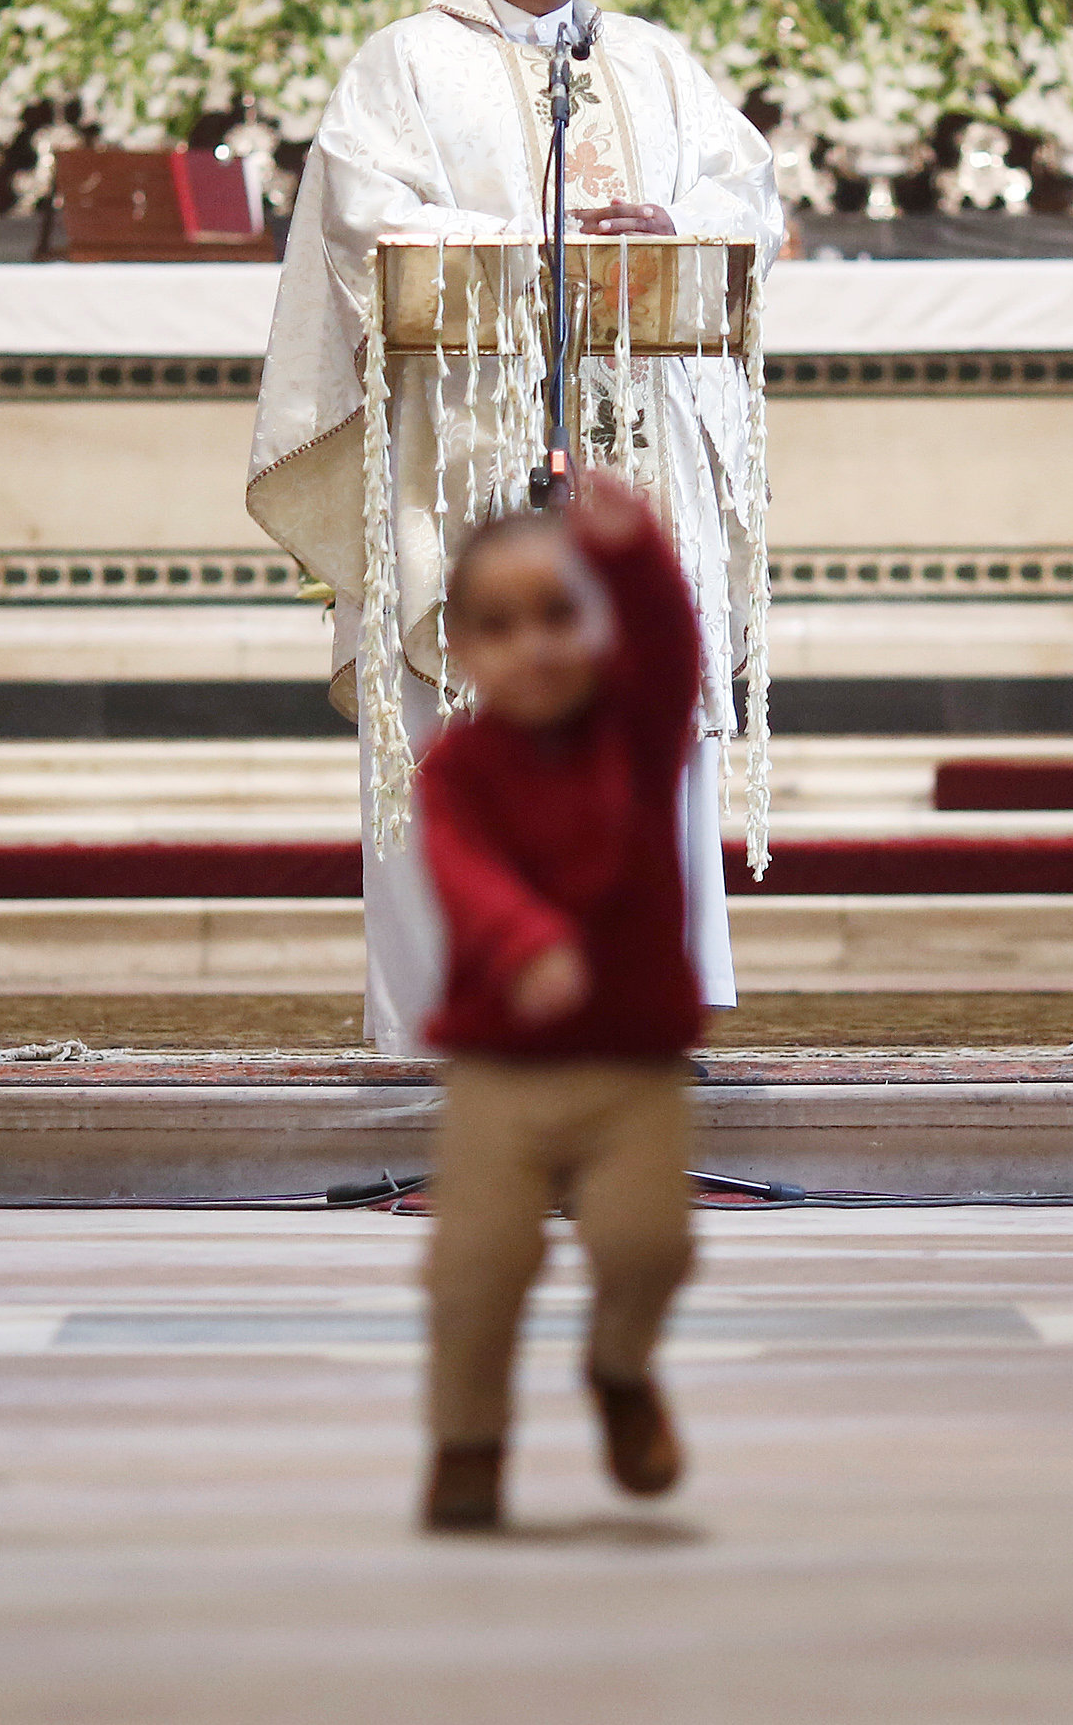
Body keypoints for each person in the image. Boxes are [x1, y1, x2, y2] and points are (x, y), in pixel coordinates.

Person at [248, 0, 782, 1054]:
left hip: (634, 442)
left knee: (638, 707)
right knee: (460, 718)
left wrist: (672, 222)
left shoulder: (647, 61)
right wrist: (535, 251)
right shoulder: (404, 64)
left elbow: (743, 188)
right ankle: (448, 1021)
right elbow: (365, 222)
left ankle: (637, 1017)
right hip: (467, 451)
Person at [410, 474, 704, 1533]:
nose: (530, 645)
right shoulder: (458, 767)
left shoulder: (634, 729)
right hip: (503, 1066)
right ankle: (467, 1443)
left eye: (556, 614)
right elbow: (463, 870)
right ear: (458, 646)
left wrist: (635, 553)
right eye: (497, 625)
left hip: (629, 1060)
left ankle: (618, 1368)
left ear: (596, 625)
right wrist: (522, 940)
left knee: (648, 1244)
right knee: (475, 1267)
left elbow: (672, 648)